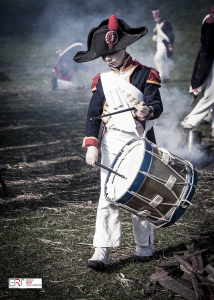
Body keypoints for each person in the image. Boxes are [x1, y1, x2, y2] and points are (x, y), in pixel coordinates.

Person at [73, 15, 163, 270]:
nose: (108, 57)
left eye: (112, 51)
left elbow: (155, 104)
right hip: (112, 143)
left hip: (140, 142)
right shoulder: (101, 81)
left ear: (124, 47)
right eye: (104, 54)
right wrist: (92, 145)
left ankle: (144, 246)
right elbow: (94, 116)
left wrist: (148, 112)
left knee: (140, 194)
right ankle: (101, 250)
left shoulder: (146, 74)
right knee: (108, 196)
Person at [181, 5, 214, 137]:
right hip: (210, 58)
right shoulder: (209, 20)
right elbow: (208, 43)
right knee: (211, 95)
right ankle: (190, 120)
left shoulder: (208, 18)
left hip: (209, 58)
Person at [151, 7, 174, 83]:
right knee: (163, 61)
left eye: (157, 18)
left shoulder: (166, 24)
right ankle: (166, 77)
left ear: (160, 17)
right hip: (159, 44)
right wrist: (154, 32)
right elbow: (157, 35)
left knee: (157, 59)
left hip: (164, 45)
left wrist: (170, 45)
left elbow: (171, 35)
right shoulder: (157, 24)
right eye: (155, 18)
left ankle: (161, 76)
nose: (156, 19)